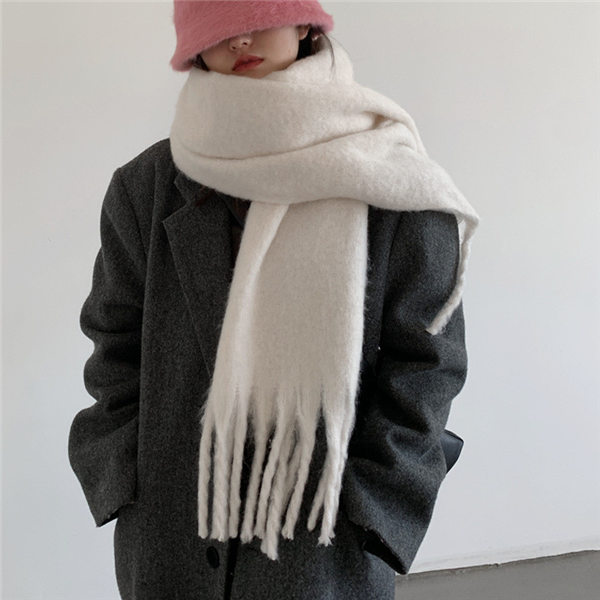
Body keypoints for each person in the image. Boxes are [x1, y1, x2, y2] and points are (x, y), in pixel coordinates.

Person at [68, 1, 479, 599]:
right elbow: (113, 341)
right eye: (217, 24)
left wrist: (373, 506)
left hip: (322, 545)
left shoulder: (392, 184)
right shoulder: (146, 187)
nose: (240, 39)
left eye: (258, 13)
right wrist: (126, 474)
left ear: (304, 22)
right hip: (170, 535)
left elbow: (428, 365)